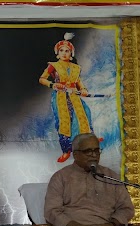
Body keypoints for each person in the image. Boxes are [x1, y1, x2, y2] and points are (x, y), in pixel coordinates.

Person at [39, 32, 94, 163]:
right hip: (61, 97)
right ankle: (66, 150)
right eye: (61, 50)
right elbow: (42, 79)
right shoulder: (54, 65)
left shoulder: (75, 68)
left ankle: (88, 142)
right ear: (57, 53)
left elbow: (78, 82)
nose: (64, 53)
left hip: (74, 96)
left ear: (71, 54)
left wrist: (84, 90)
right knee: (64, 123)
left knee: (84, 114)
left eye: (67, 51)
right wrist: (53, 84)